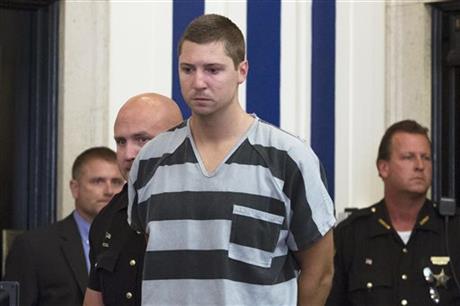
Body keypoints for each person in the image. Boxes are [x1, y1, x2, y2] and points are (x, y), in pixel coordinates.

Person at [127, 14, 335, 306]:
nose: (198, 82)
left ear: (242, 71)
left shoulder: (288, 158)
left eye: (213, 69)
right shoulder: (150, 160)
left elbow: (321, 271)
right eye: (188, 69)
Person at [326, 120, 460, 305]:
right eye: (408, 157)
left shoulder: (451, 229)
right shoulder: (352, 233)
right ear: (383, 168)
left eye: (426, 157)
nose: (420, 165)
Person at [83, 93, 183, 306]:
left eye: (142, 139)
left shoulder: (207, 206)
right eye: (120, 141)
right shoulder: (108, 216)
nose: (128, 153)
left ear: (179, 141)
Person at [4, 147, 124, 306]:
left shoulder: (135, 240)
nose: (109, 191)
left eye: (116, 182)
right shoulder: (32, 247)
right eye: (98, 181)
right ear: (75, 188)